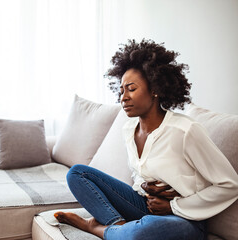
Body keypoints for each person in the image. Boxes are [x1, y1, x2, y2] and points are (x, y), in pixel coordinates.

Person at [53, 39, 238, 240]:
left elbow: (229, 185)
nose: (123, 97)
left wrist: (173, 205)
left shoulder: (186, 131)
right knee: (77, 174)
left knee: (145, 230)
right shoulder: (129, 129)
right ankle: (119, 226)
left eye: (131, 89)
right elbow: (138, 174)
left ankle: (96, 228)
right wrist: (145, 186)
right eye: (121, 90)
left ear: (154, 90)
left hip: (186, 220)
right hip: (145, 206)